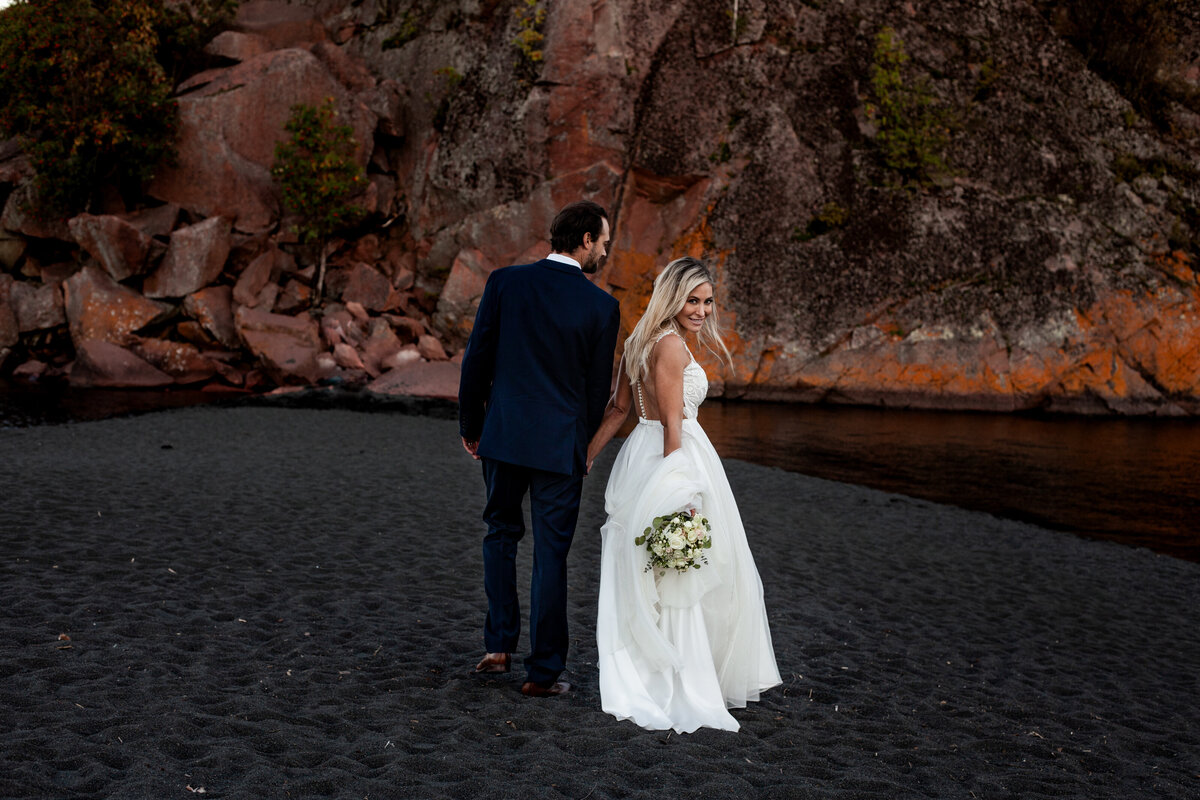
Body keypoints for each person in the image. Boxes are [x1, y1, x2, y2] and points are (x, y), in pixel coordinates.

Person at [586, 256, 781, 732]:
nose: (701, 310)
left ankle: (652, 673)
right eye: (692, 300)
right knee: (679, 573)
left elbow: (617, 411)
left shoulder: (637, 341)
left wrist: (586, 458)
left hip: (639, 453)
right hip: (674, 456)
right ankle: (679, 683)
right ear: (672, 298)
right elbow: (674, 423)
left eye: (707, 301)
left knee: (651, 573)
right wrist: (681, 497)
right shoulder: (670, 346)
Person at [458, 201, 621, 698]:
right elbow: (596, 393)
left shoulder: (505, 283)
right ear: (587, 240)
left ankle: (498, 646)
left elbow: (477, 358)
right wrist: (584, 445)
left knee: (500, 533)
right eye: (605, 241)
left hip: (503, 435)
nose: (606, 251)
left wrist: (472, 425)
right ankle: (543, 672)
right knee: (551, 555)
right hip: (559, 447)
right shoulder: (602, 307)